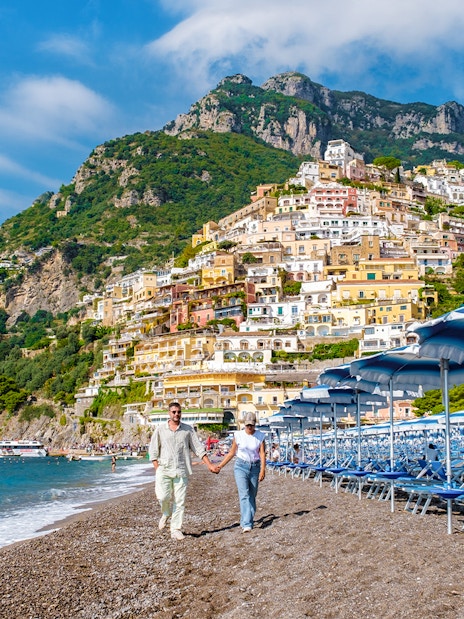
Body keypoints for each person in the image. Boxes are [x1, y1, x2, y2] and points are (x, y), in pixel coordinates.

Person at [149, 402, 220, 540]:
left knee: (180, 501)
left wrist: (209, 465)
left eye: (179, 412)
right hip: (164, 469)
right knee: (163, 497)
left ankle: (175, 529)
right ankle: (166, 512)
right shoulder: (160, 429)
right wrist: (157, 469)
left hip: (181, 470)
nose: (176, 414)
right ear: (169, 413)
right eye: (174, 412)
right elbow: (153, 451)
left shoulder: (188, 430)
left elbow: (198, 448)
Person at [217, 412, 266, 533]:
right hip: (241, 466)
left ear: (255, 424)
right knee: (244, 494)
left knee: (252, 495)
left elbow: (262, 454)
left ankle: (246, 518)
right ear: (244, 424)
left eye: (252, 425)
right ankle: (247, 523)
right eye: (248, 425)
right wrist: (220, 466)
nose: (250, 427)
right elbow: (232, 452)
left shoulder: (260, 436)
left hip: (255, 467)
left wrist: (263, 470)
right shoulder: (238, 435)